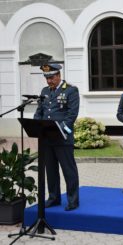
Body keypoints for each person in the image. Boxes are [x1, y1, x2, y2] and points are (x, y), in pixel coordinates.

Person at [34, 63, 80, 211]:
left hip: (62, 138)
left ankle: (73, 200)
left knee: (68, 170)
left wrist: (61, 130)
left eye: (51, 77)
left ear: (59, 75)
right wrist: (36, 125)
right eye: (46, 78)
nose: (49, 81)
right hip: (47, 139)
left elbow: (71, 115)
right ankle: (54, 198)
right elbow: (39, 111)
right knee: (51, 171)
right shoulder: (44, 91)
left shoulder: (71, 90)